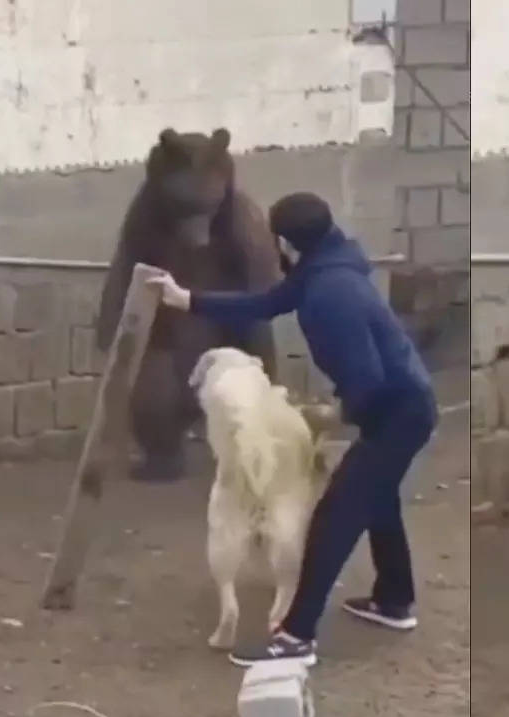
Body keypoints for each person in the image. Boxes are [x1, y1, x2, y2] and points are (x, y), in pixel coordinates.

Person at [148, 192, 437, 667]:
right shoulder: (326, 267)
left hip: (397, 414)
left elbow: (366, 380)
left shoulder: (329, 295)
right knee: (378, 499)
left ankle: (296, 637)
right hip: (400, 405)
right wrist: (187, 299)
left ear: (285, 241)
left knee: (335, 516)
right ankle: (394, 600)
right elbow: (264, 304)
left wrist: (324, 420)